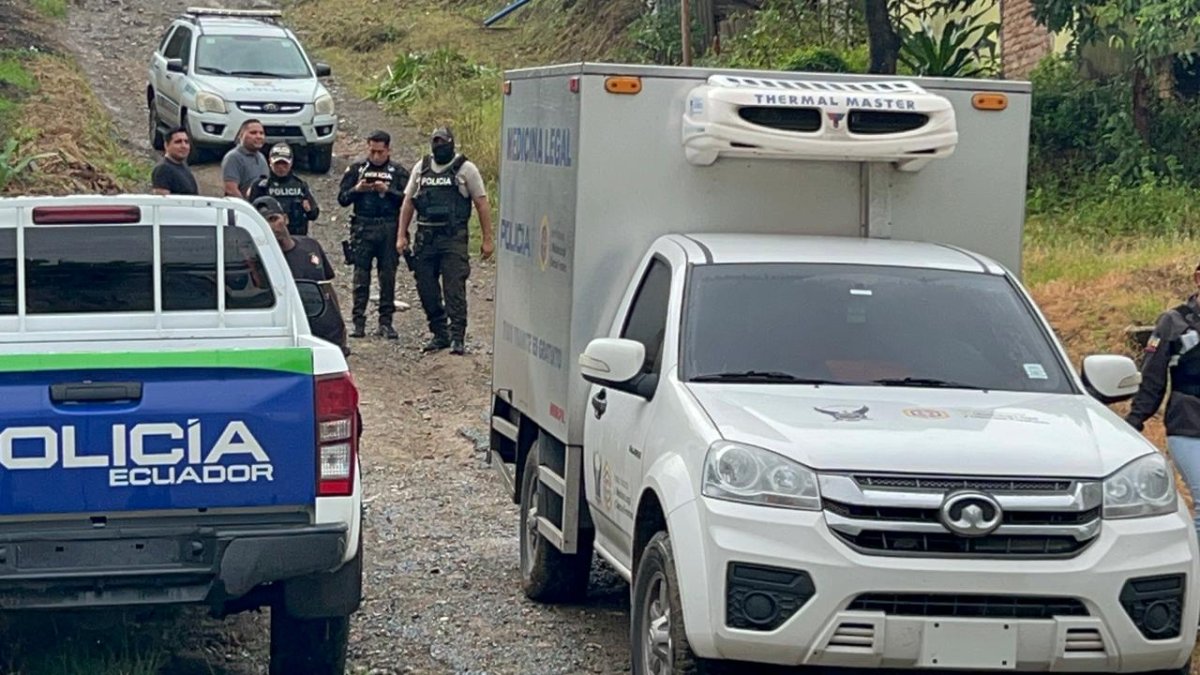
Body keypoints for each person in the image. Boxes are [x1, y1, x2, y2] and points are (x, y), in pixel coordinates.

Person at [398, 127, 494, 355]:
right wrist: (401, 235)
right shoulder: (421, 168)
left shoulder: (466, 170)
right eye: (435, 142)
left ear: (451, 143)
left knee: (454, 289)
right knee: (426, 289)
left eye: (442, 142)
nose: (438, 145)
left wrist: (487, 239)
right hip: (426, 239)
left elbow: (481, 203)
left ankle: (458, 337)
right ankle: (440, 333)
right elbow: (408, 203)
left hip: (453, 239)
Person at [1125, 263, 1200, 535]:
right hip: (1188, 426)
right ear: (1197, 279)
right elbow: (1153, 377)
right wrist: (1136, 418)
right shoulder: (1174, 321)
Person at [252, 195, 348, 356]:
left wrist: (340, 324)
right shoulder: (260, 261)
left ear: (286, 219)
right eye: (264, 223)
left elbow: (326, 286)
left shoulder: (311, 245)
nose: (271, 226)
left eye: (274, 218)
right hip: (292, 337)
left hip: (327, 331)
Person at [337, 130, 409, 340]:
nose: (376, 156)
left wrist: (388, 190)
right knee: (361, 275)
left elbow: (408, 201)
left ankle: (385, 322)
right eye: (372, 151)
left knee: (388, 275)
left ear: (388, 150)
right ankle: (358, 322)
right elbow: (342, 199)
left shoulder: (398, 171)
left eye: (380, 152)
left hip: (389, 226)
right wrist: (357, 189)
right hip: (363, 225)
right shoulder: (357, 169)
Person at [248, 143, 319, 236]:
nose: (281, 167)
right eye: (277, 163)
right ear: (270, 162)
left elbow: (314, 214)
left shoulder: (300, 185)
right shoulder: (260, 186)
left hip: (296, 237)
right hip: (269, 237)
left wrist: (308, 209)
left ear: (291, 163)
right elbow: (251, 216)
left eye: (284, 163)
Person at [221, 119, 268, 199]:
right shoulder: (233, 157)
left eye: (261, 133)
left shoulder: (262, 158)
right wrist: (249, 208)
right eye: (253, 133)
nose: (259, 136)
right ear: (241, 136)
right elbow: (231, 190)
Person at [150, 127, 199, 195]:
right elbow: (162, 202)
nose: (184, 146)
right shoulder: (163, 170)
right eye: (178, 142)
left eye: (186, 142)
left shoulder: (183, 166)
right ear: (166, 145)